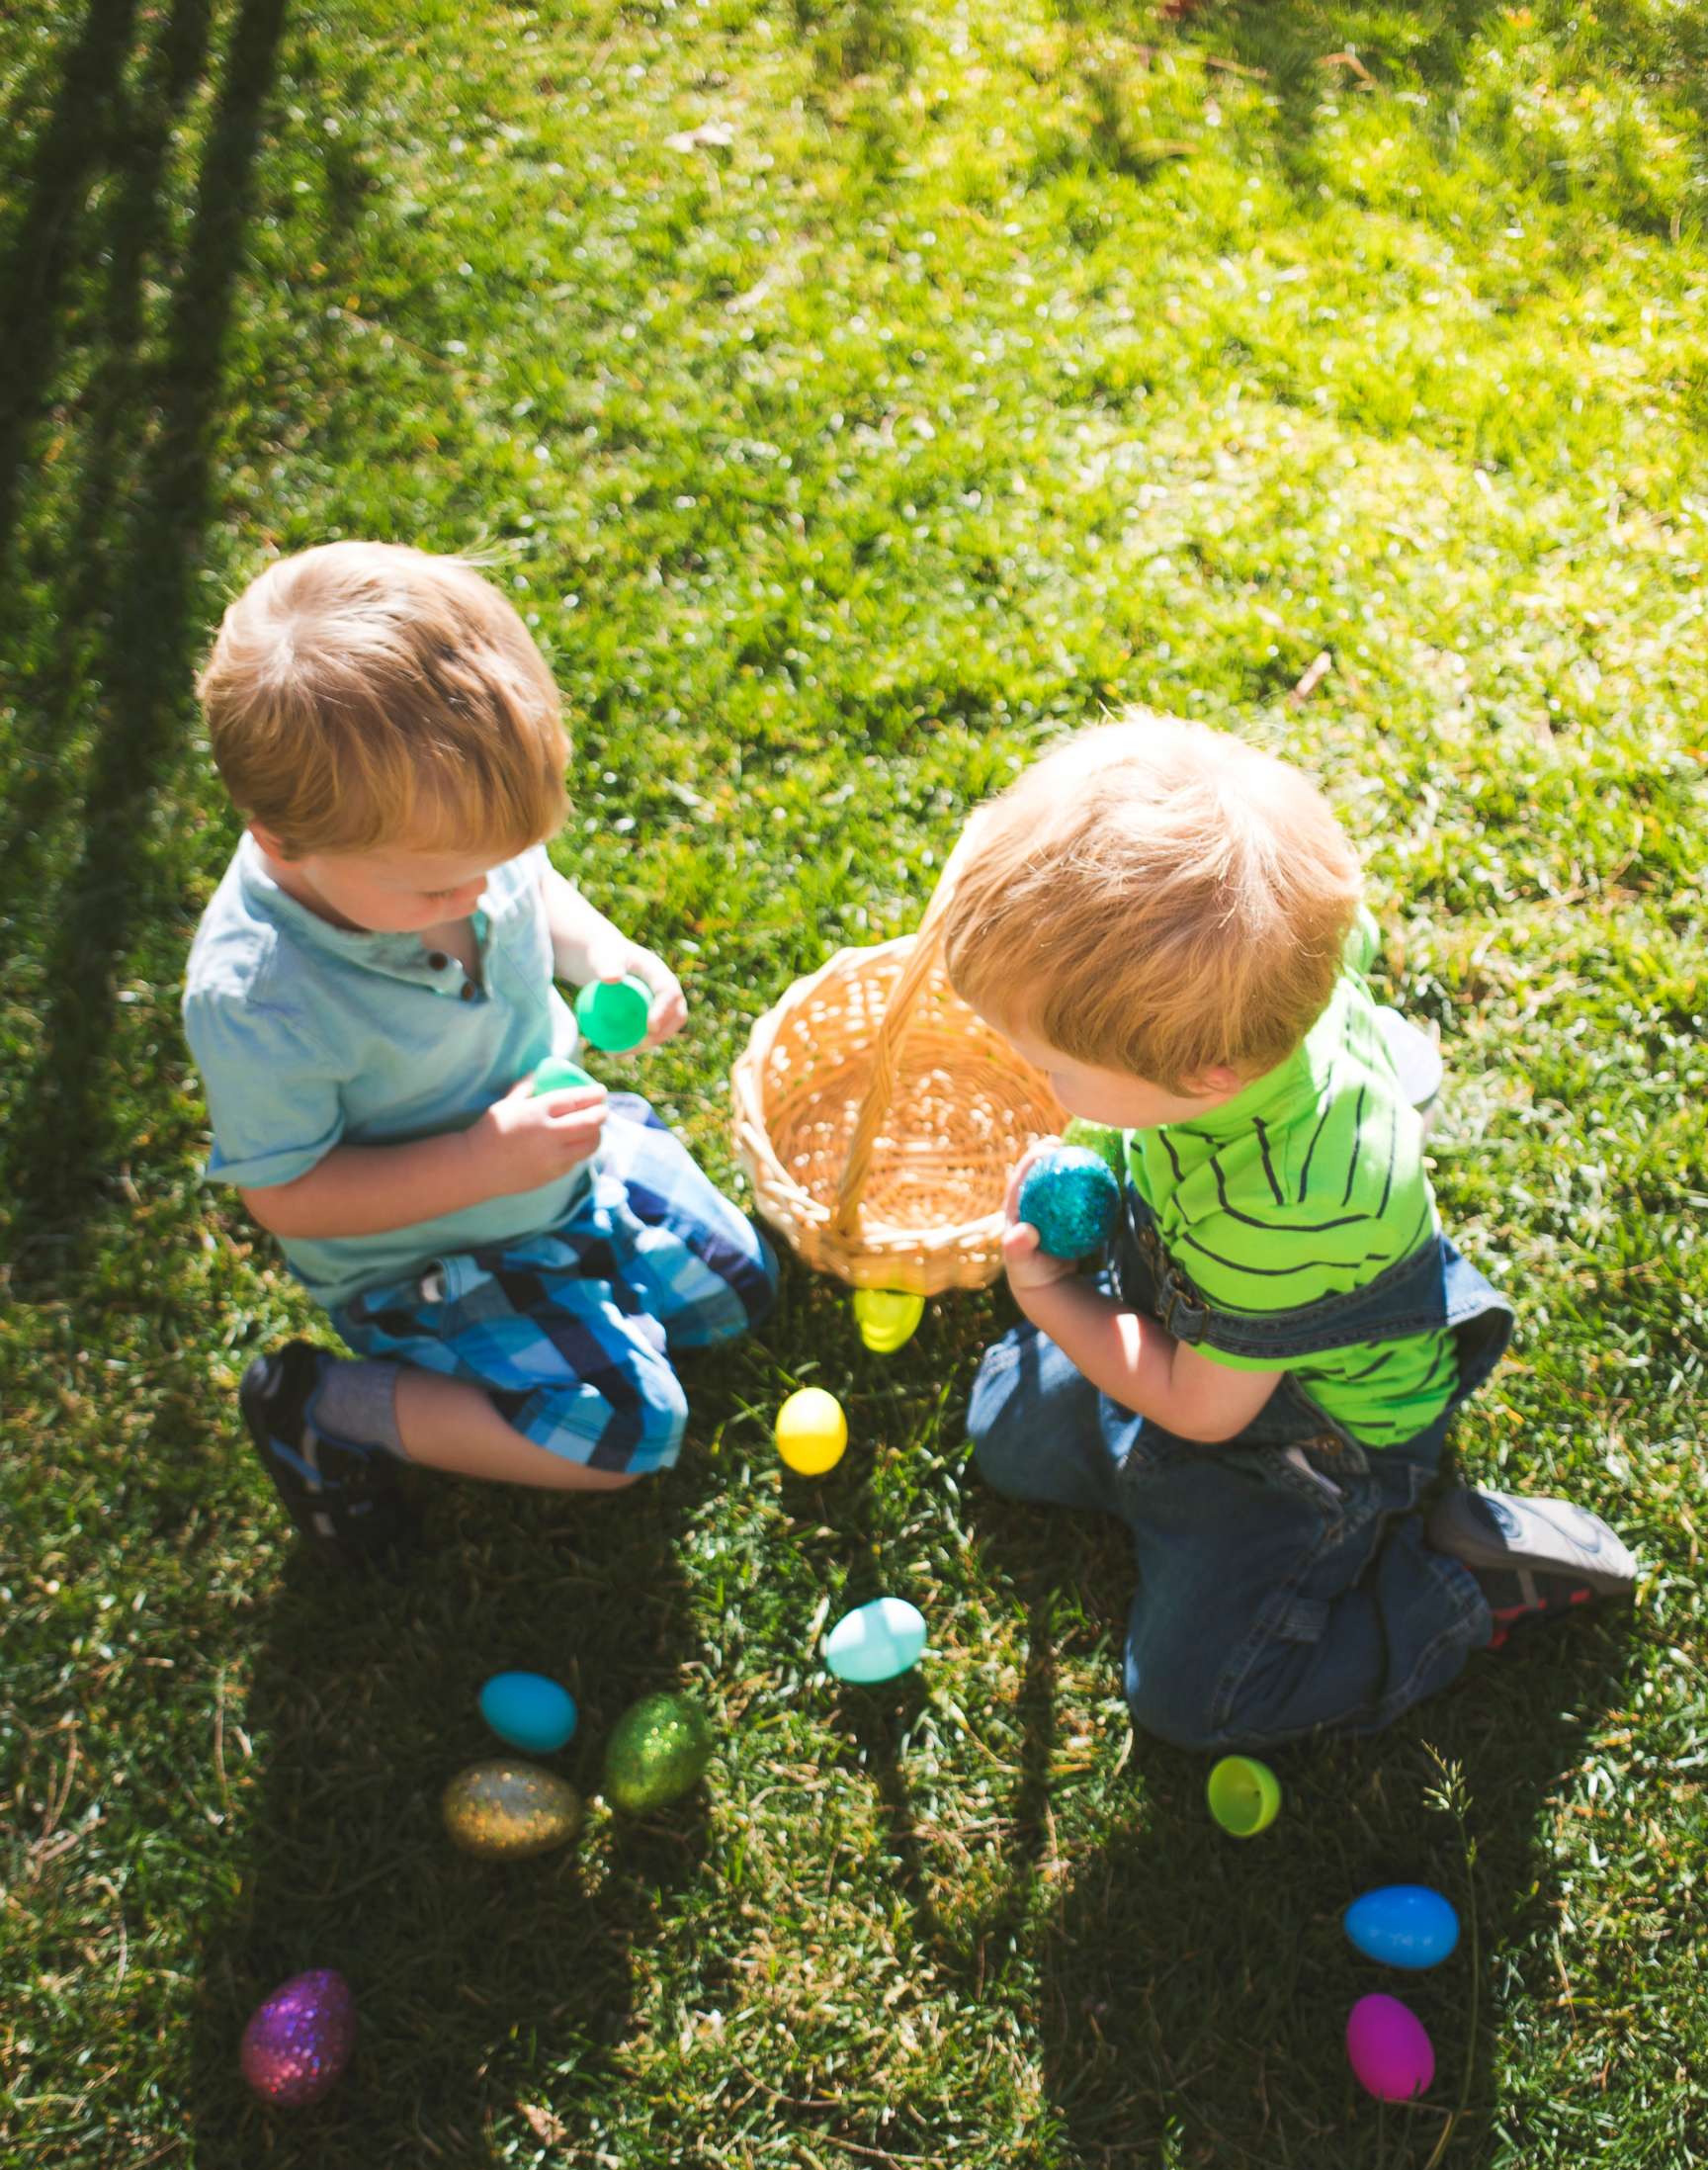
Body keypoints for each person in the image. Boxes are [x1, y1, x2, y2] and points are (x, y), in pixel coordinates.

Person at [941, 714, 1636, 1750]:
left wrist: (1054, 1299)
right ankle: (1155, 1490)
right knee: (1003, 1429)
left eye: (1060, 1071)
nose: (1048, 1090)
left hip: (1309, 1442)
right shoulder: (1266, 990)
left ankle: (1453, 1581)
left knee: (1193, 1700)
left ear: (1204, 1079)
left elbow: (1202, 1409)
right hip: (1211, 1327)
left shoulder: (1274, 1208)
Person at [183, 542, 775, 1560]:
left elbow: (533, 885)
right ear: (282, 841)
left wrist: (604, 953)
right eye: (435, 889)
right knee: (630, 1433)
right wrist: (478, 1162)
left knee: (740, 1289)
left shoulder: (438, 834)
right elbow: (288, 1197)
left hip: (556, 1161)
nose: (477, 894)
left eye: (496, 859)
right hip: (433, 1253)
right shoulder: (259, 995)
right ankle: (329, 1407)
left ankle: (586, 1260)